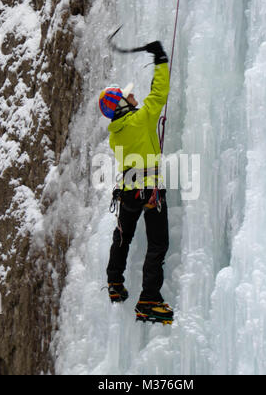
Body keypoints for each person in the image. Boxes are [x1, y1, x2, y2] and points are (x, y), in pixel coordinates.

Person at [99, 41, 173, 324]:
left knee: (123, 236)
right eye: (128, 96)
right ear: (120, 103)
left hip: (129, 191)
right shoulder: (141, 119)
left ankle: (115, 284)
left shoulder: (115, 134)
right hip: (150, 189)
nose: (134, 97)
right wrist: (160, 59)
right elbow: (159, 93)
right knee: (158, 244)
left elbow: (147, 102)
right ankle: (149, 300)